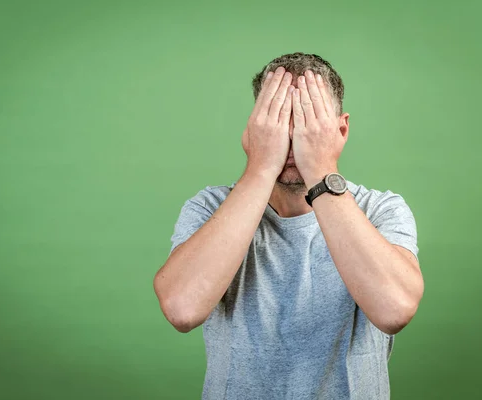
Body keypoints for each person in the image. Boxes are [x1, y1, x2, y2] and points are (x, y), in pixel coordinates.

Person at [153, 52, 424, 400]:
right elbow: (182, 309)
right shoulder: (209, 207)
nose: (294, 136)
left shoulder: (381, 209)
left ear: (340, 130)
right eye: (279, 119)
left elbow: (394, 310)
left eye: (310, 121)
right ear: (254, 130)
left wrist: (322, 171)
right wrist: (261, 167)